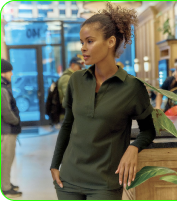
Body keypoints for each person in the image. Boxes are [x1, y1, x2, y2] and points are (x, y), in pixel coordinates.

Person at [50, 3, 156, 200]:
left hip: (105, 183)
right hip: (69, 180)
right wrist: (55, 165)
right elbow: (68, 124)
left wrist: (133, 148)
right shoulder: (76, 80)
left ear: (110, 42)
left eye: (89, 41)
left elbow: (148, 130)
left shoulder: (133, 87)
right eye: (82, 42)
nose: (83, 48)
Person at [1, 59, 22, 198]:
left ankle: (6, 183)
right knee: (6, 159)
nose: (12, 73)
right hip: (7, 130)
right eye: (9, 70)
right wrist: (16, 121)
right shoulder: (2, 90)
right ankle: (5, 187)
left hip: (7, 130)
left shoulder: (4, 87)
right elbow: (6, 112)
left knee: (7, 159)